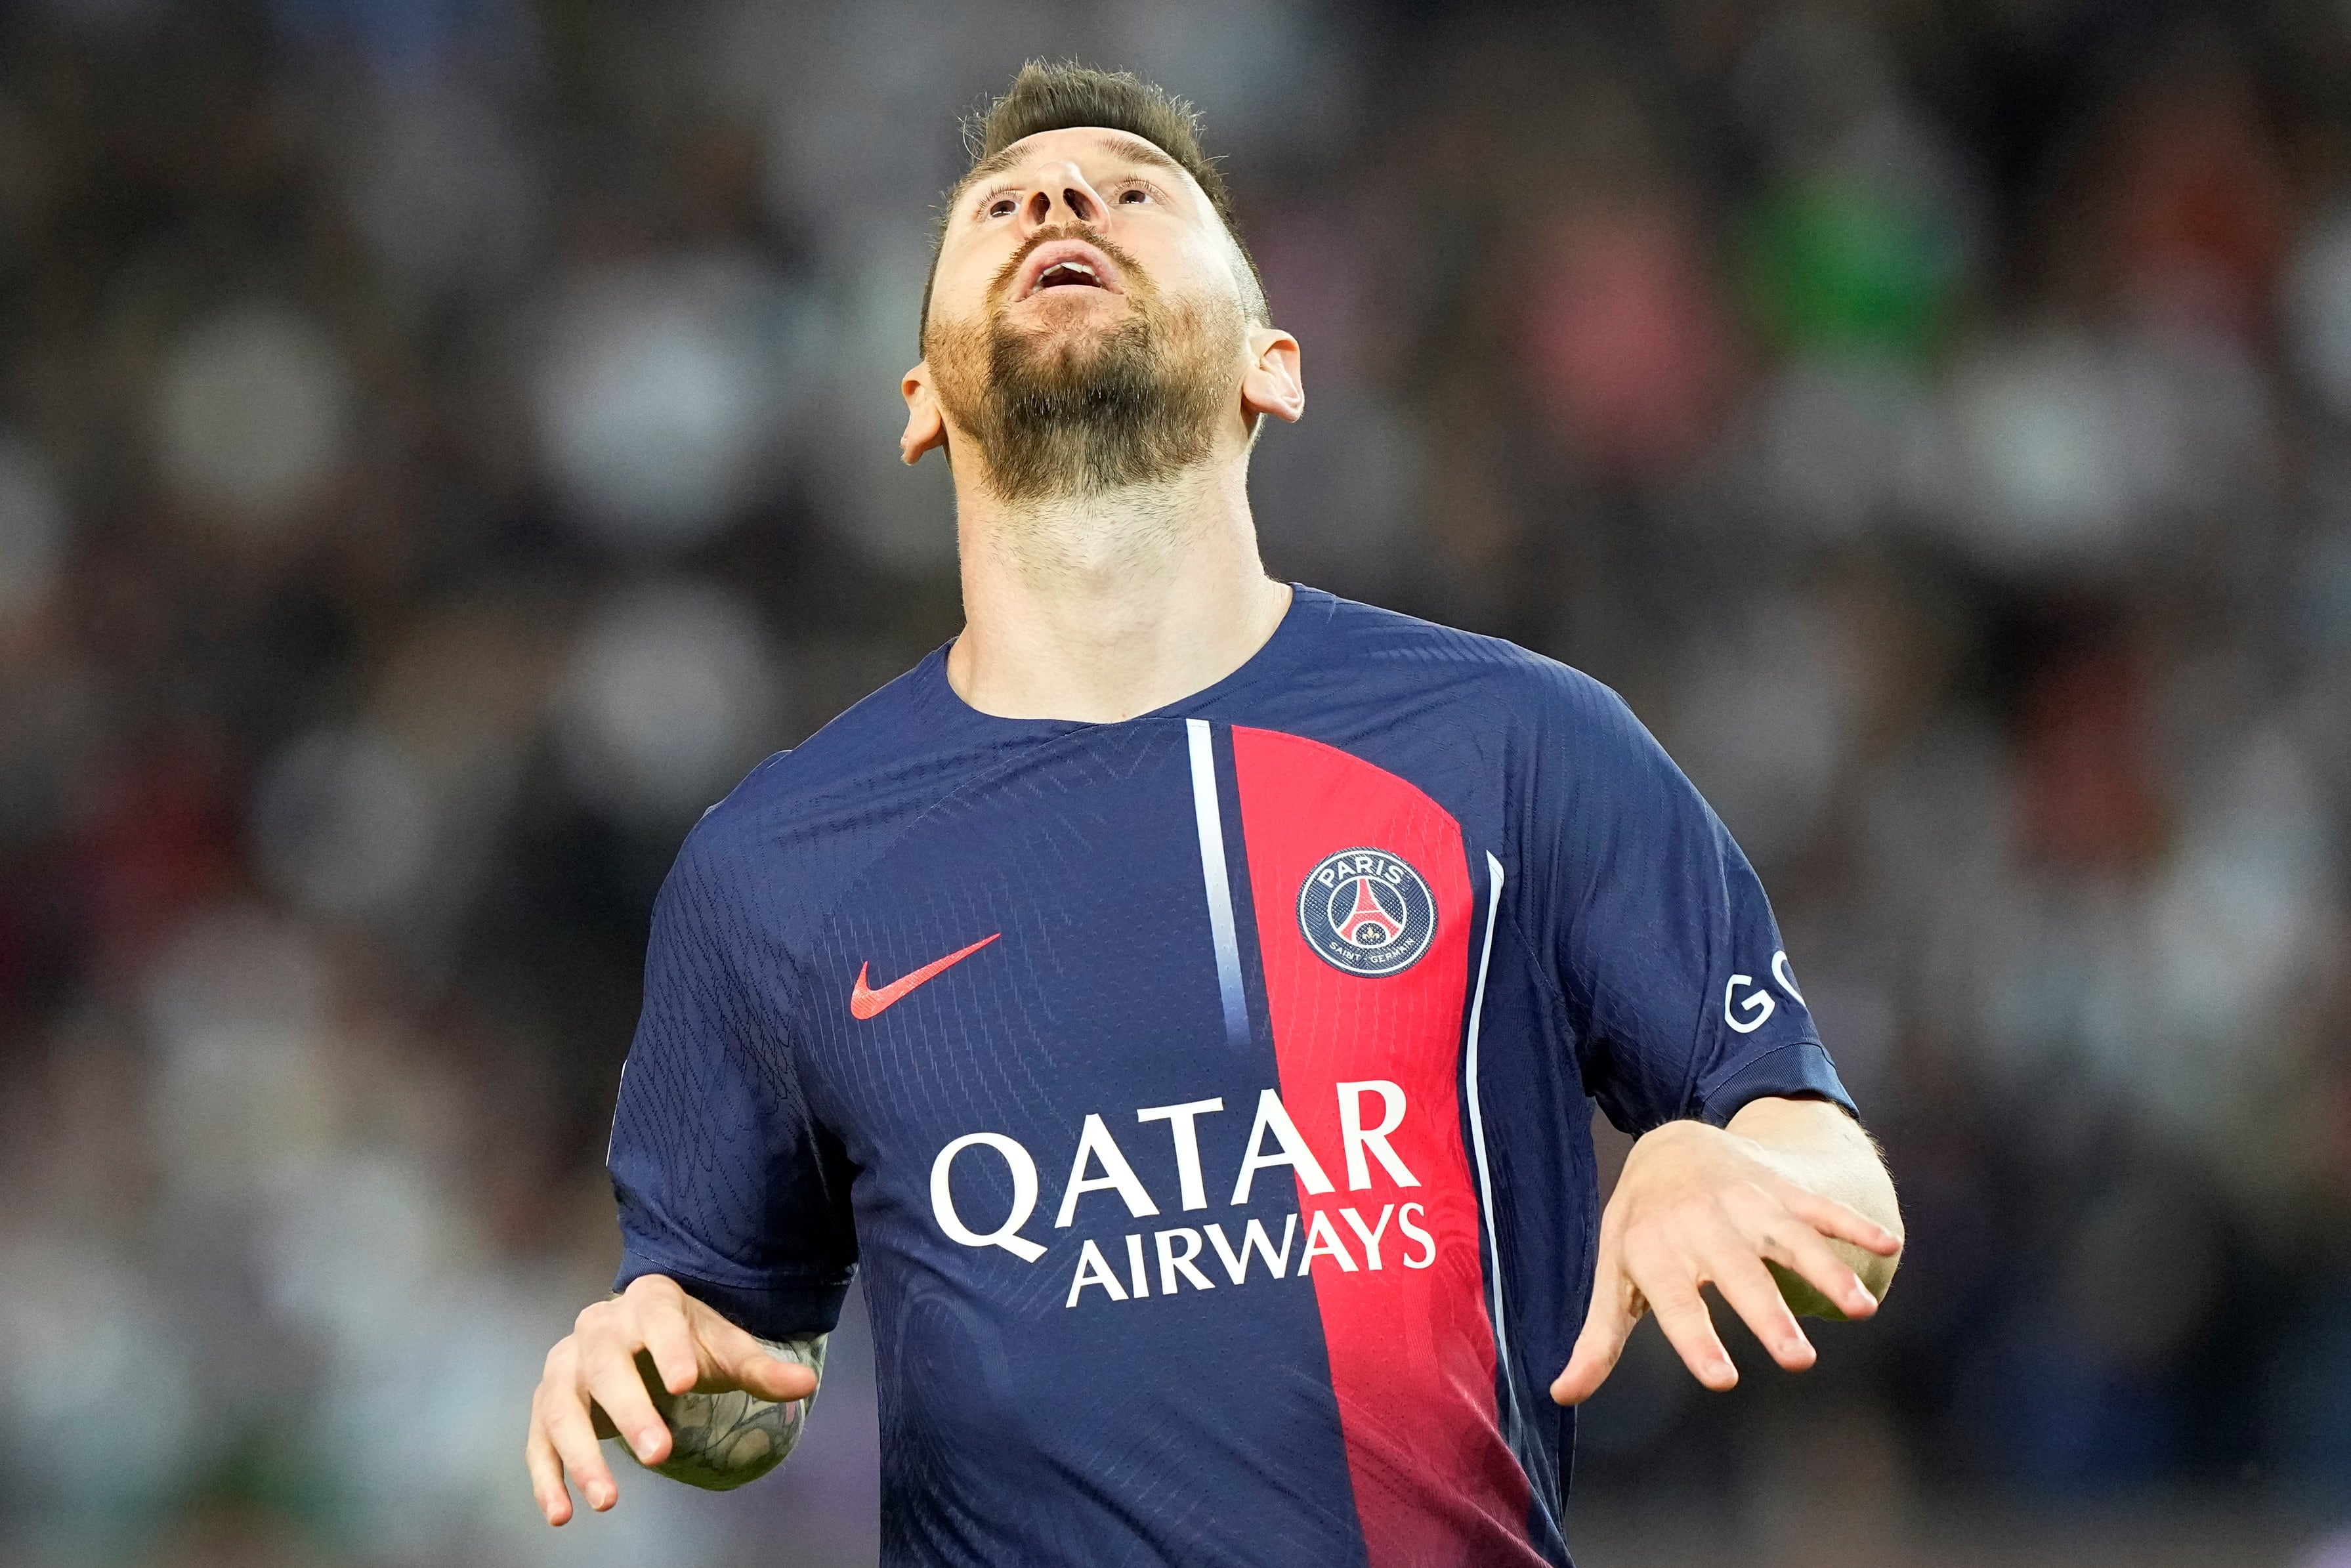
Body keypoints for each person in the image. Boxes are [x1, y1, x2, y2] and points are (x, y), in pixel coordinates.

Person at [523, 59, 1903, 1567]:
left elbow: (1840, 1182)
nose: (1060, 198)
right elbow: (742, 1387)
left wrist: (1731, 1155)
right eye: (1004, 203)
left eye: (1135, 193)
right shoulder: (773, 869)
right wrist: (665, 1380)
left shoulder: (1514, 742)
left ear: (1276, 365)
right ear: (918, 400)